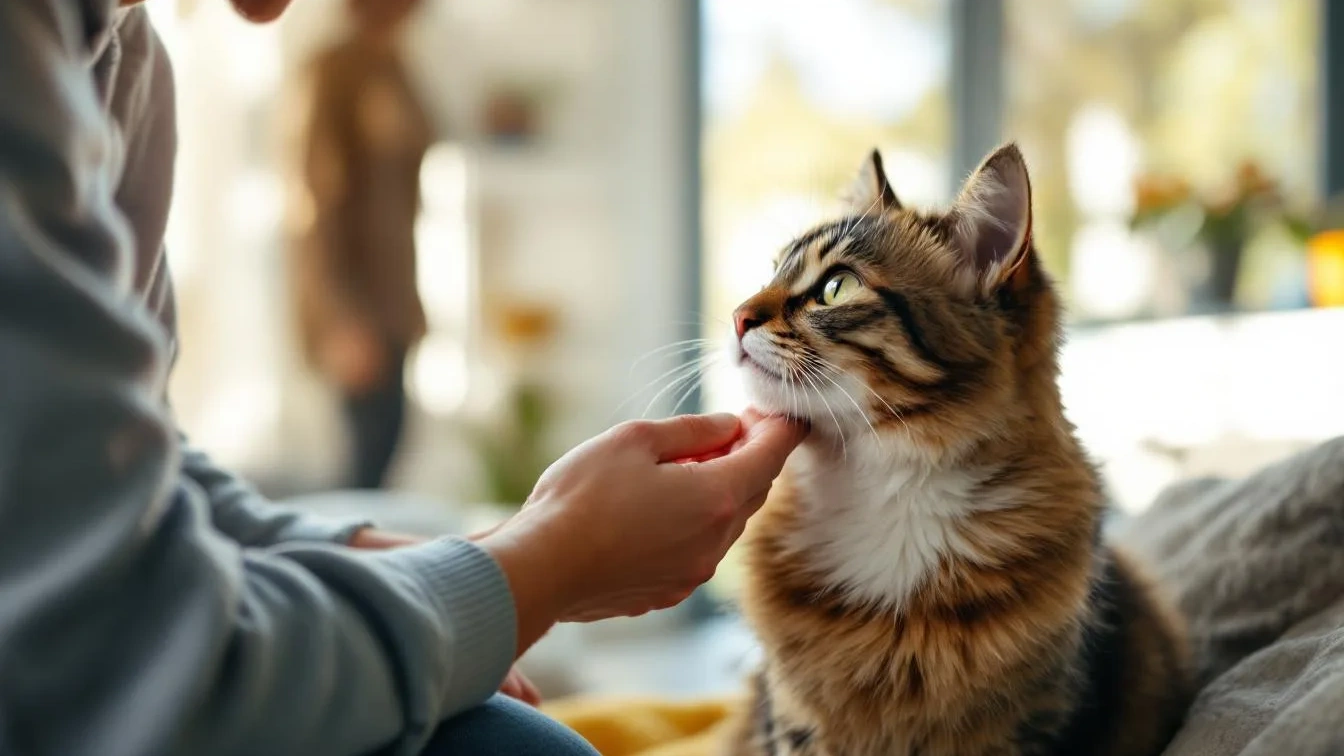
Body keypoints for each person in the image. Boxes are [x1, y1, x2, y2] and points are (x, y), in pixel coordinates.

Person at [0, 1, 807, 756]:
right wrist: (548, 563)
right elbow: (126, 678)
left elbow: (133, 459)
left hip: (397, 300)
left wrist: (395, 557)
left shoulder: (128, 58)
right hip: (360, 312)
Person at [291, 0, 432, 490]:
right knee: (364, 461)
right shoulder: (333, 70)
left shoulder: (394, 67)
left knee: (389, 445)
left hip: (394, 296)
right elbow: (315, 202)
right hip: (357, 303)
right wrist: (339, 316)